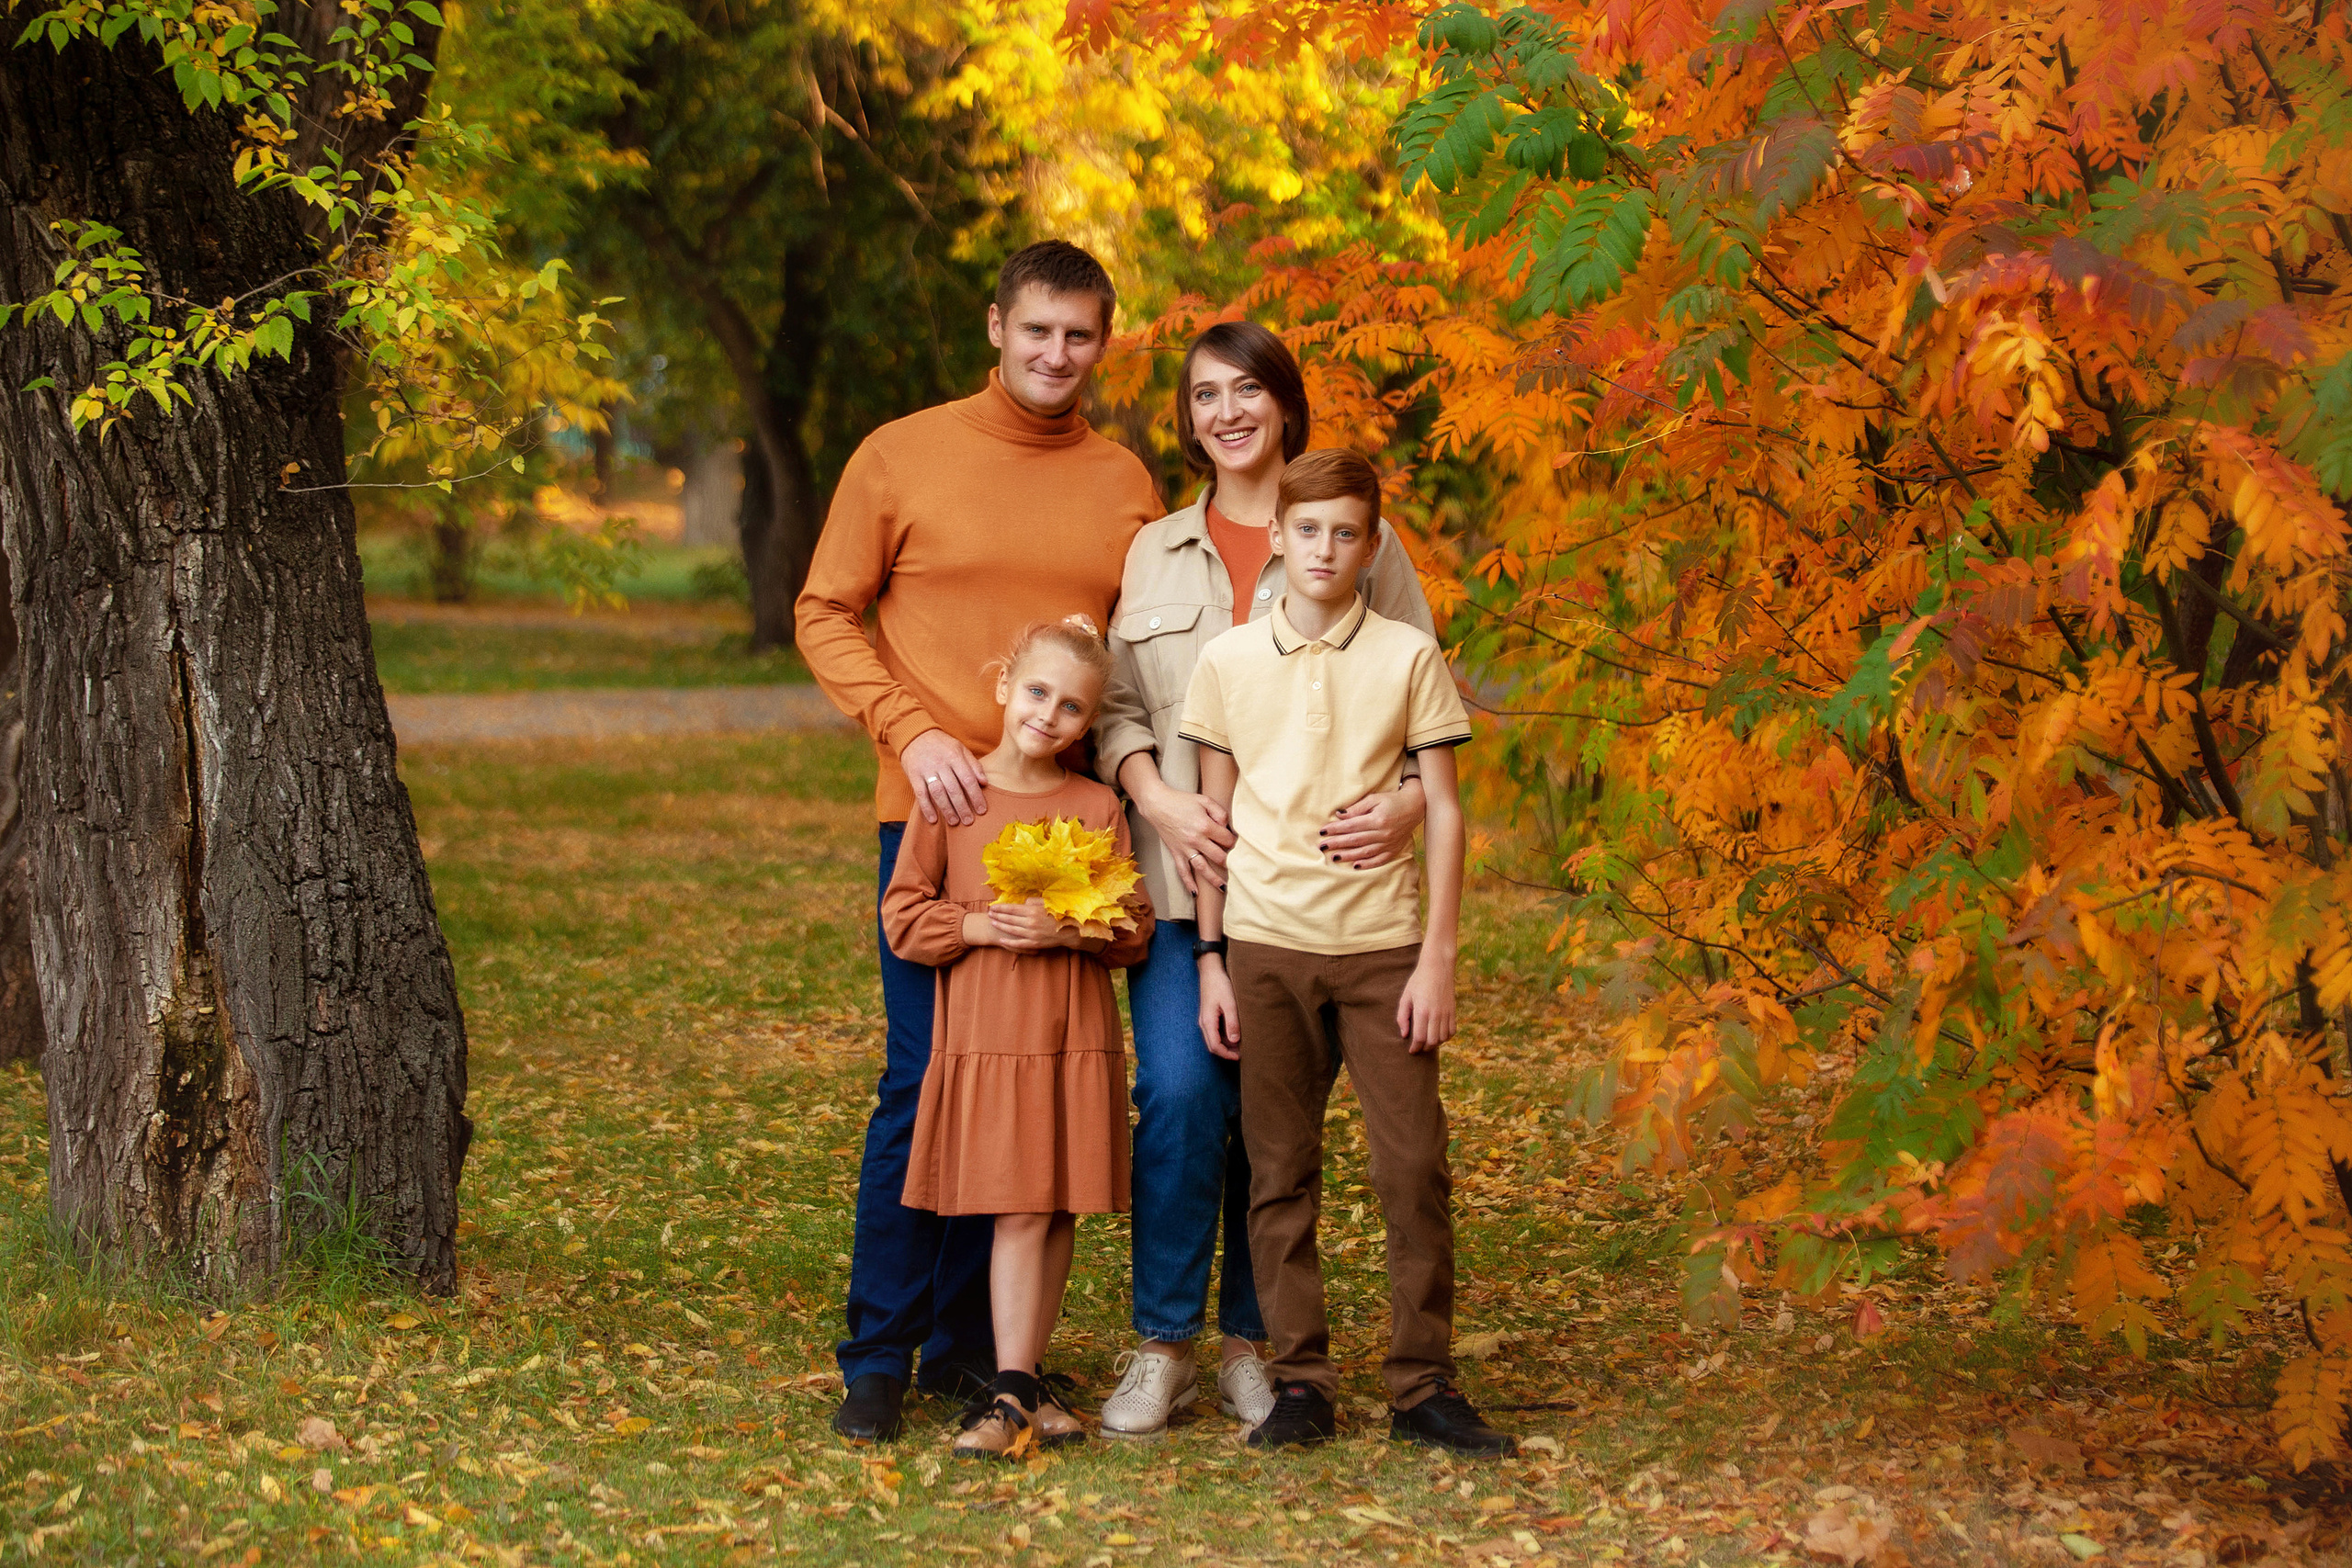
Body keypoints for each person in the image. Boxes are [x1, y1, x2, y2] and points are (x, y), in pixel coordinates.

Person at [797, 241, 1163, 1441]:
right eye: (1038, 330)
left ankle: (974, 1352)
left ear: (1101, 342)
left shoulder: (1125, 484)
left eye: (1080, 335)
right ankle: (879, 1350)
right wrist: (910, 727)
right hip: (935, 813)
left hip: (1061, 826)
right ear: (996, 325)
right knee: (926, 1078)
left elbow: (1141, 664)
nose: (1057, 354)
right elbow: (825, 609)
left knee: (1021, 1088)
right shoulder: (901, 454)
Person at [1090, 322, 1438, 1438]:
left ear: (1285, 403)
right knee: (1185, 1097)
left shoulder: (1360, 538)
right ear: (1187, 419)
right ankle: (1162, 1344)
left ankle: (1262, 1348)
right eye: (1203, 397)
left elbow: (1427, 717)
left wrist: (1406, 807)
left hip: (1326, 903)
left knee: (1274, 1124)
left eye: (1248, 391)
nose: (1227, 412)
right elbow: (1117, 705)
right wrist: (1156, 796)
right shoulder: (1155, 551)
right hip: (1189, 891)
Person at [1180, 448, 1515, 1457]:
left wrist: (1438, 958)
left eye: (1347, 533)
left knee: (1412, 1165)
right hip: (1265, 946)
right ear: (1277, 537)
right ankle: (1300, 1383)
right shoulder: (1226, 661)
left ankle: (1422, 1385)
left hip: (1380, 949)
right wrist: (1208, 958)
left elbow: (1445, 812)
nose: (1325, 548)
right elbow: (1211, 817)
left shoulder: (1407, 656)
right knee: (1278, 1168)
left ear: (1372, 548)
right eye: (1308, 529)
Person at [882, 621, 1153, 1458]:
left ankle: (1022, 1387)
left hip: (1072, 1034)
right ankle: (1011, 1395)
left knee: (1054, 1203)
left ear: (1089, 721)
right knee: (1017, 1209)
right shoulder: (954, 796)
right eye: (1037, 692)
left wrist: (1067, 931)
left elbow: (1134, 929)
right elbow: (903, 917)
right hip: (991, 1035)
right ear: (1004, 685)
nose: (1050, 714)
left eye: (1073, 706)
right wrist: (981, 926)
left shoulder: (1097, 805)